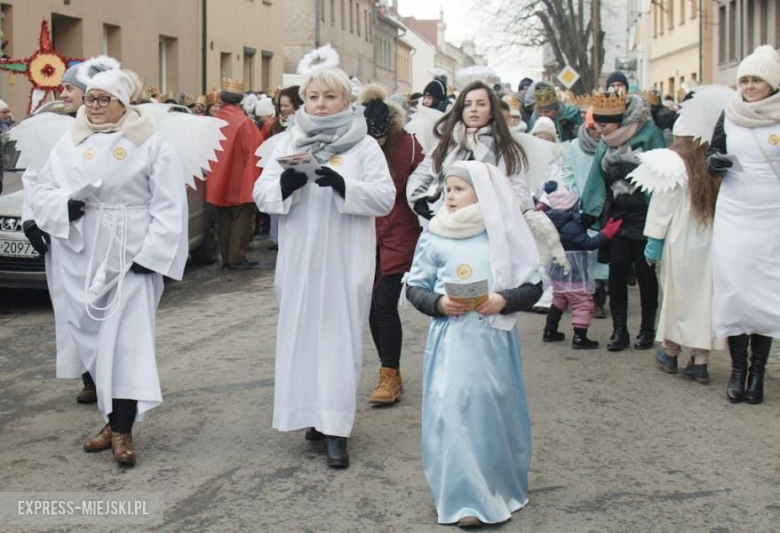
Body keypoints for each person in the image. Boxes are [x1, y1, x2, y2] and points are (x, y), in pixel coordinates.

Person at [24, 64, 188, 467]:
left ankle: (124, 430)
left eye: (104, 100)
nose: (94, 106)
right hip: (79, 252)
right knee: (94, 343)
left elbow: (169, 204)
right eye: (91, 98)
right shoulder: (68, 141)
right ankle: (112, 420)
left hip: (129, 253)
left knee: (127, 343)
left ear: (123, 104)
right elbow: (41, 188)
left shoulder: (149, 142)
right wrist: (65, 205)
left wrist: (152, 256)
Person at [252, 45, 394, 468]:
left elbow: (386, 198)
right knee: (301, 335)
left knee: (337, 337)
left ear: (347, 102)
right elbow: (261, 194)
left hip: (345, 254)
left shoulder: (364, 146)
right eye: (313, 97)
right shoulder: (284, 142)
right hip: (300, 256)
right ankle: (310, 415)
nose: (320, 104)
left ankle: (336, 428)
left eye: (329, 97)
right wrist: (287, 184)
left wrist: (342, 186)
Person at [406, 161, 541, 528]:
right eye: (447, 189)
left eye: (459, 189)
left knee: (488, 415)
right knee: (451, 412)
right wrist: (438, 304)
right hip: (450, 342)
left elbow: (533, 285)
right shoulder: (434, 233)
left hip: (492, 340)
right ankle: (462, 498)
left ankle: (496, 488)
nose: (449, 196)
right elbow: (414, 286)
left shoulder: (503, 232)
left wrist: (503, 300)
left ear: (482, 192)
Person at [22, 58, 118, 406]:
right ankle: (89, 376)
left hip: (101, 237)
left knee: (101, 307)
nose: (63, 94)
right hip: (63, 235)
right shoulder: (54, 132)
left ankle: (111, 376)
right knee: (72, 309)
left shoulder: (112, 132)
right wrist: (32, 219)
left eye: (69, 88)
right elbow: (36, 179)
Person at [631, 87, 732, 383]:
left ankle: (671, 350)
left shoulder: (673, 164)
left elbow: (662, 206)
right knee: (704, 299)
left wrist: (653, 242)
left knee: (675, 296)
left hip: (679, 242)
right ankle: (700, 360)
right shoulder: (717, 165)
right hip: (711, 242)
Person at [706, 45, 780, 404]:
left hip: (772, 215)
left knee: (763, 295)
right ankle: (736, 370)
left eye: (757, 80)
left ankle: (757, 374)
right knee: (735, 292)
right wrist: (713, 163)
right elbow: (712, 152)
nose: (749, 86)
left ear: (772, 83)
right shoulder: (729, 112)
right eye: (745, 80)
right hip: (735, 213)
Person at [580, 91, 666, 352]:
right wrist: (590, 209)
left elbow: (664, 174)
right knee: (616, 273)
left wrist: (662, 217)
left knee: (645, 274)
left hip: (644, 215)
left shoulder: (650, 134)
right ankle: (620, 331)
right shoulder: (607, 141)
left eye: (605, 123)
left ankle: (647, 330)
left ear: (621, 118)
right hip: (618, 216)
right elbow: (597, 176)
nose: (599, 127)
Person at [358, 84, 424, 405]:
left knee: (384, 302)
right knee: (371, 305)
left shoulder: (409, 146)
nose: (377, 143)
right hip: (366, 234)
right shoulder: (357, 144)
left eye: (381, 137)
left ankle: (388, 373)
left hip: (398, 232)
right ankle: (391, 373)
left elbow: (424, 182)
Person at [542, 181, 622, 348]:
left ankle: (550, 331)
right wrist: (607, 233)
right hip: (575, 272)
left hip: (558, 273)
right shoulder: (572, 225)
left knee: (559, 299)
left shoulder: (550, 221)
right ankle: (580, 336)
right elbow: (589, 243)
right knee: (582, 302)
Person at [207, 78, 264, 270]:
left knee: (223, 217)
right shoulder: (244, 122)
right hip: (240, 176)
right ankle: (236, 257)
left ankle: (226, 257)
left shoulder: (213, 120)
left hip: (218, 174)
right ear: (239, 100)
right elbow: (256, 150)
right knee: (241, 217)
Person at [561, 106, 609, 318]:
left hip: (604, 206)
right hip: (581, 207)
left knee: (600, 254)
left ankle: (599, 296)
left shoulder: (610, 146)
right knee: (584, 254)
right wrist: (571, 197)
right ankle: (583, 297)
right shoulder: (574, 146)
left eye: (598, 127)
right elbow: (568, 172)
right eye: (591, 127)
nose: (595, 132)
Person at [262, 86, 304, 250]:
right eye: (281, 106)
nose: (284, 109)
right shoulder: (276, 125)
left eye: (287, 105)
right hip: (280, 171)